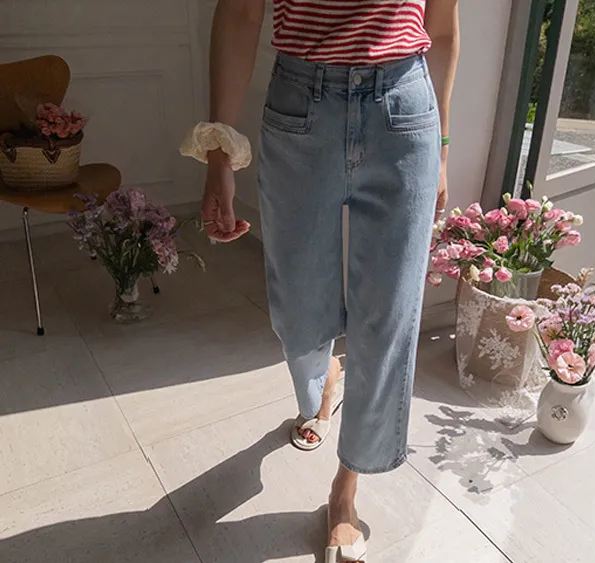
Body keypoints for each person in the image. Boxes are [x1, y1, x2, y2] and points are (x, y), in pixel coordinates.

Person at [183, 1, 459, 560]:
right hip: (300, 109)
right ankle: (323, 379)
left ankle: (345, 489)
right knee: (298, 308)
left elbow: (443, 25)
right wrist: (219, 155)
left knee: (387, 318)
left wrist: (443, 151)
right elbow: (240, 13)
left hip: (403, 111)